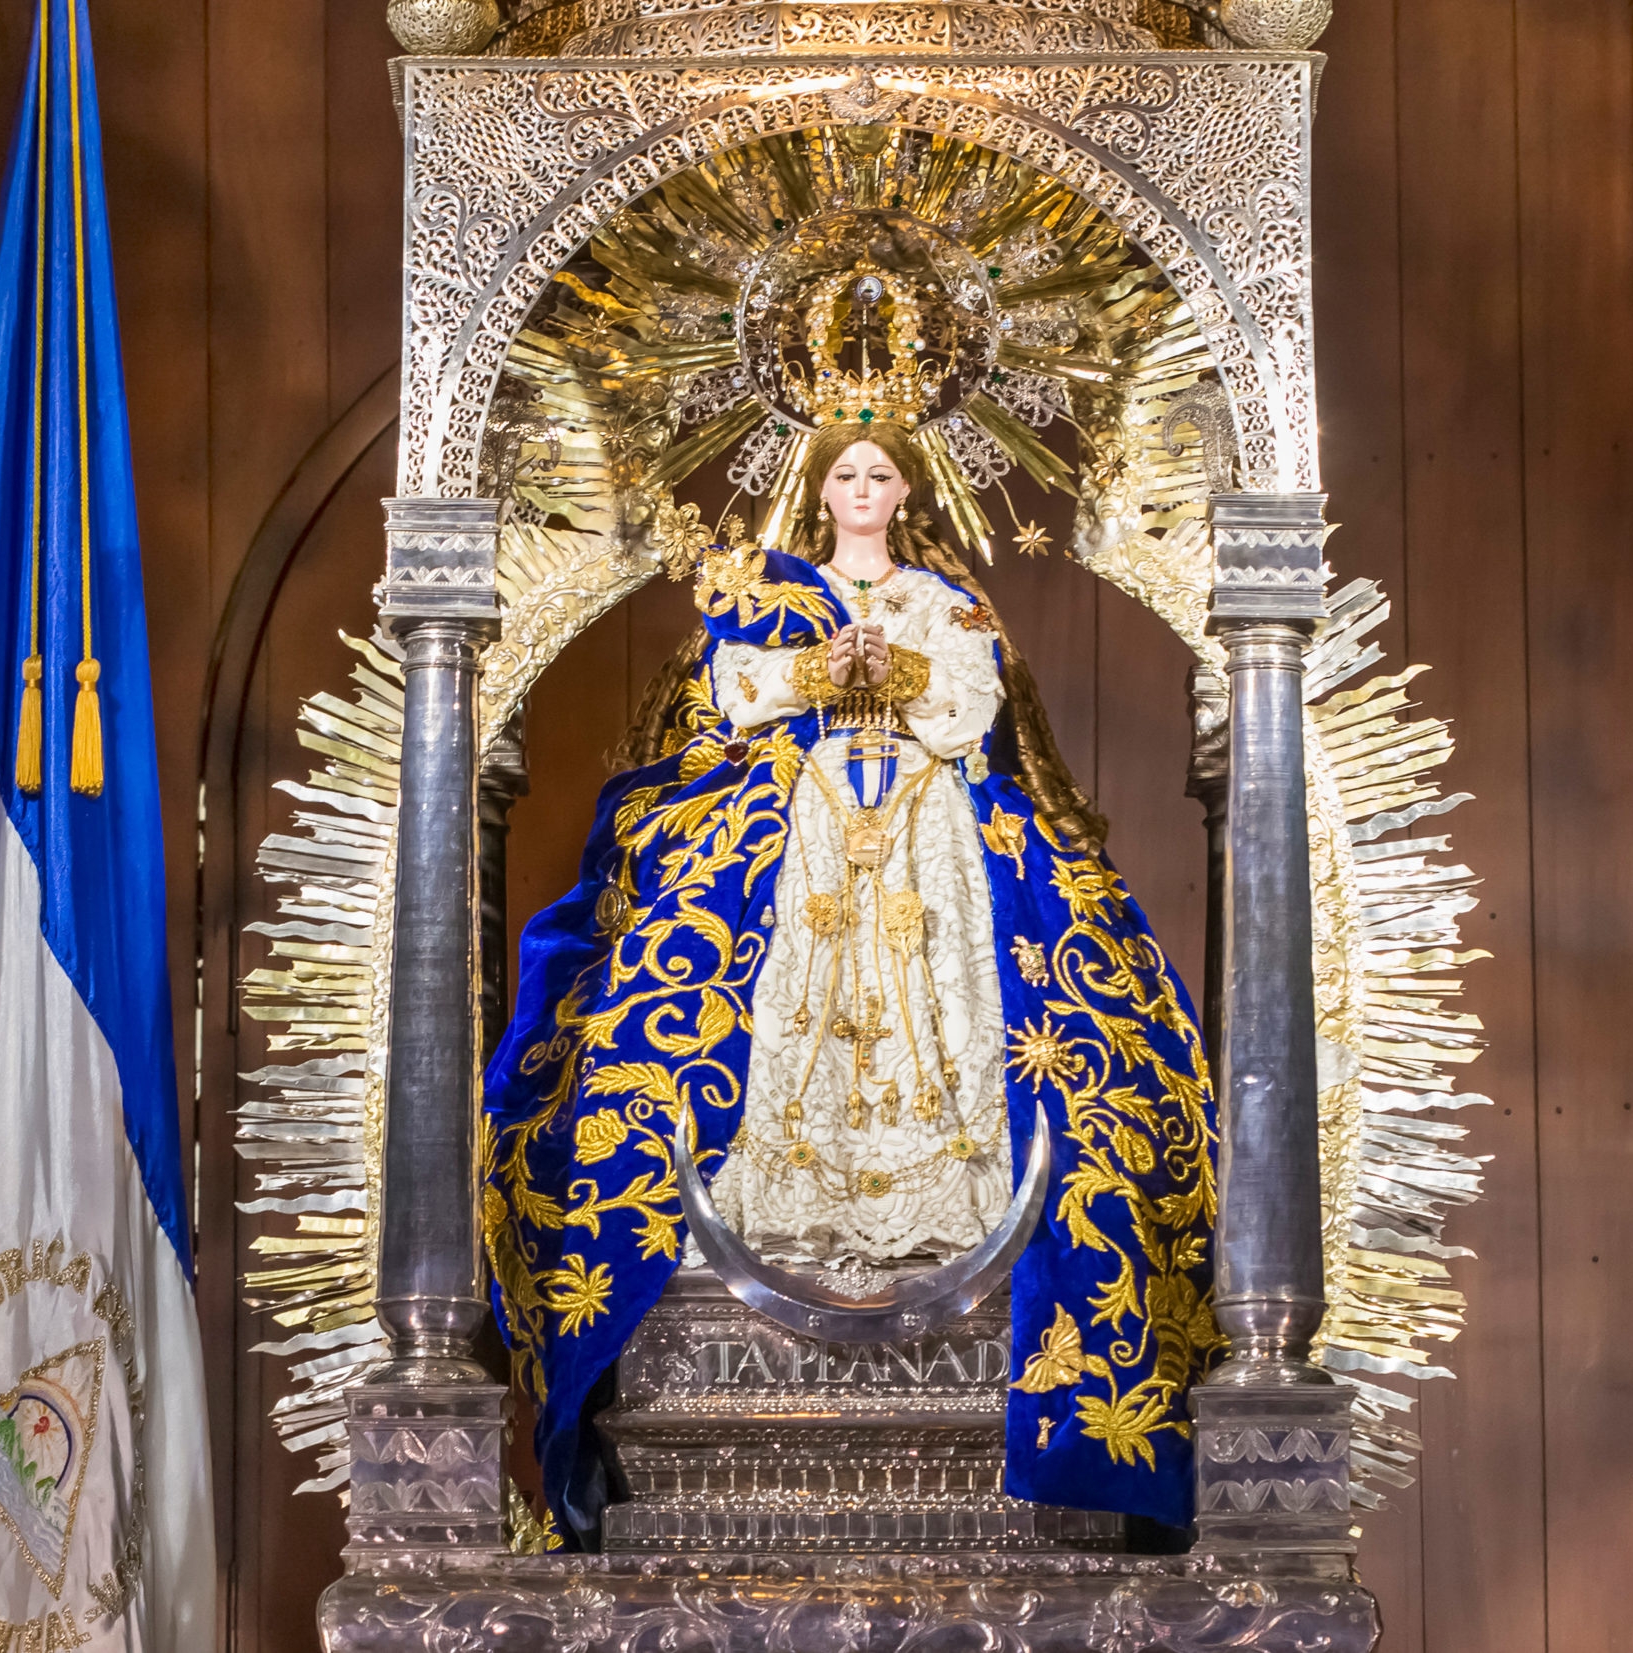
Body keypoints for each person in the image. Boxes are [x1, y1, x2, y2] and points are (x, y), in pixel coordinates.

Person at [481, 420, 1219, 1548]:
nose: (863, 489)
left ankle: (958, 1212)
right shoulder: (774, 594)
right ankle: (782, 1209)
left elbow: (970, 707)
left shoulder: (944, 600)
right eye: (845, 473)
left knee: (972, 998)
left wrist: (900, 671)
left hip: (931, 829)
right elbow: (736, 692)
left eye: (880, 474)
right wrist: (821, 672)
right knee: (747, 989)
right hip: (809, 816)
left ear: (906, 490)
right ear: (819, 489)